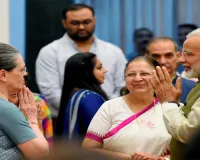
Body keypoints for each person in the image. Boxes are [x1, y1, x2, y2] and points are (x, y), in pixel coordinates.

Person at [35, 3, 127, 122]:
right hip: (67, 121)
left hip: (113, 119)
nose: (82, 27)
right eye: (75, 23)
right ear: (64, 23)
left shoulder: (114, 51)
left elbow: (123, 86)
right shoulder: (50, 52)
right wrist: (89, 108)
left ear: (94, 20)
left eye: (86, 22)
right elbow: (51, 93)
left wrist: (107, 110)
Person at [82, 56, 170, 160]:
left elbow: (185, 150)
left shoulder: (169, 108)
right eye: (131, 74)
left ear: (158, 76)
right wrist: (129, 158)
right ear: (125, 79)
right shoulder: (110, 107)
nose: (137, 79)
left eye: (144, 74)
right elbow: (88, 149)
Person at [148, 28, 200, 160]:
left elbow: (188, 134)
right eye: (182, 54)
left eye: (188, 54)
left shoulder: (189, 85)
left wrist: (169, 103)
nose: (181, 60)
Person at [0, 43, 49, 159]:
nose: (25, 74)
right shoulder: (5, 108)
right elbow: (40, 153)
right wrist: (32, 120)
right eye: (22, 70)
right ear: (3, 74)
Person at [56, 53, 108, 142]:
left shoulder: (76, 94)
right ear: (86, 72)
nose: (105, 70)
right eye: (99, 67)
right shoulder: (89, 98)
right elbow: (100, 133)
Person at [146, 37, 196, 104]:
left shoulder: (193, 88)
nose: (162, 61)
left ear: (178, 56)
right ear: (146, 58)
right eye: (156, 56)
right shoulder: (138, 86)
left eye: (168, 55)